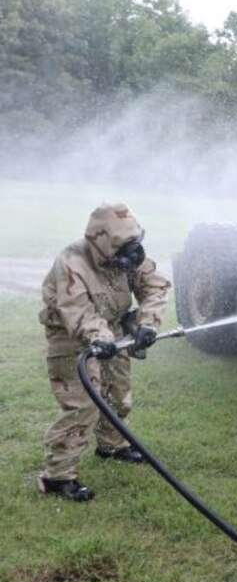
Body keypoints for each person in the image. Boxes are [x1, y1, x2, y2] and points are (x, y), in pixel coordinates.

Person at [37, 203, 171, 502]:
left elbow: (155, 285)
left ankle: (112, 445)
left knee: (117, 393)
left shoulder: (129, 255)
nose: (132, 256)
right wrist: (99, 336)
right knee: (82, 405)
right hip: (70, 336)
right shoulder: (72, 262)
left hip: (111, 330)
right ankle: (58, 476)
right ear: (102, 241)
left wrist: (147, 324)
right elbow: (77, 311)